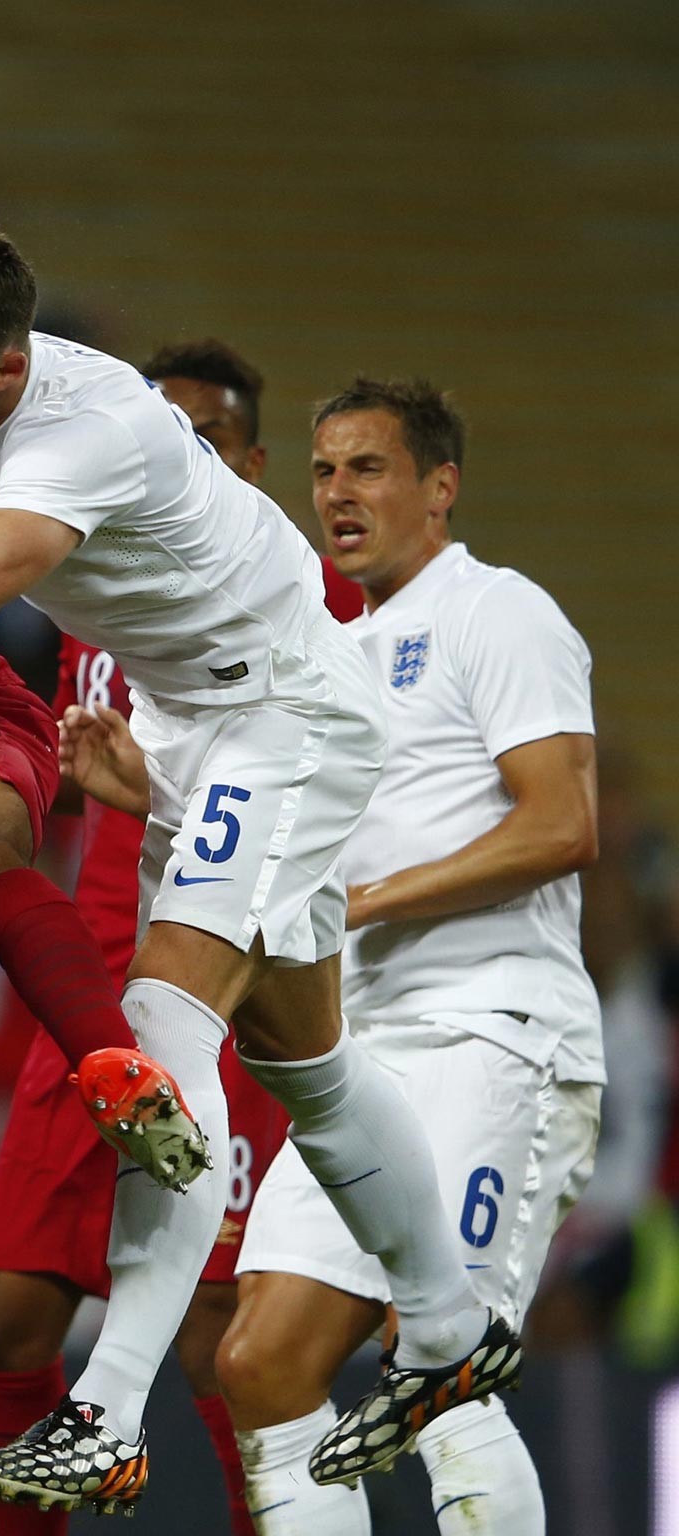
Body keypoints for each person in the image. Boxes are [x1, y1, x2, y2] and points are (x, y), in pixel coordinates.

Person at [0, 217, 512, 1512]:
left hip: (283, 719)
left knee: (149, 1043)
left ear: (8, 374)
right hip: (186, 721)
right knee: (309, 1067)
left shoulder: (88, 429)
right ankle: (447, 1323)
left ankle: (107, 1411)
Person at [205, 378, 601, 1529]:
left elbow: (558, 824)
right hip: (366, 1054)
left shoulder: (498, 611)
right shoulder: (334, 654)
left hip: (494, 1031)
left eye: (365, 468)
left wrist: (368, 899)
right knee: (260, 1363)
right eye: (322, 470)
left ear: (439, 488)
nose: (335, 492)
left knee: (436, 1365)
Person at [0, 339, 304, 1536]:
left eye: (204, 439)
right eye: (157, 434)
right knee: (9, 1317)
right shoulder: (87, 576)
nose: (175, 460)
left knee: (218, 1337)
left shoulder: (298, 597)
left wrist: (144, 796)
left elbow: (327, 799)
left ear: (253, 465)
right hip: (87, 1008)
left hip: (222, 1000)